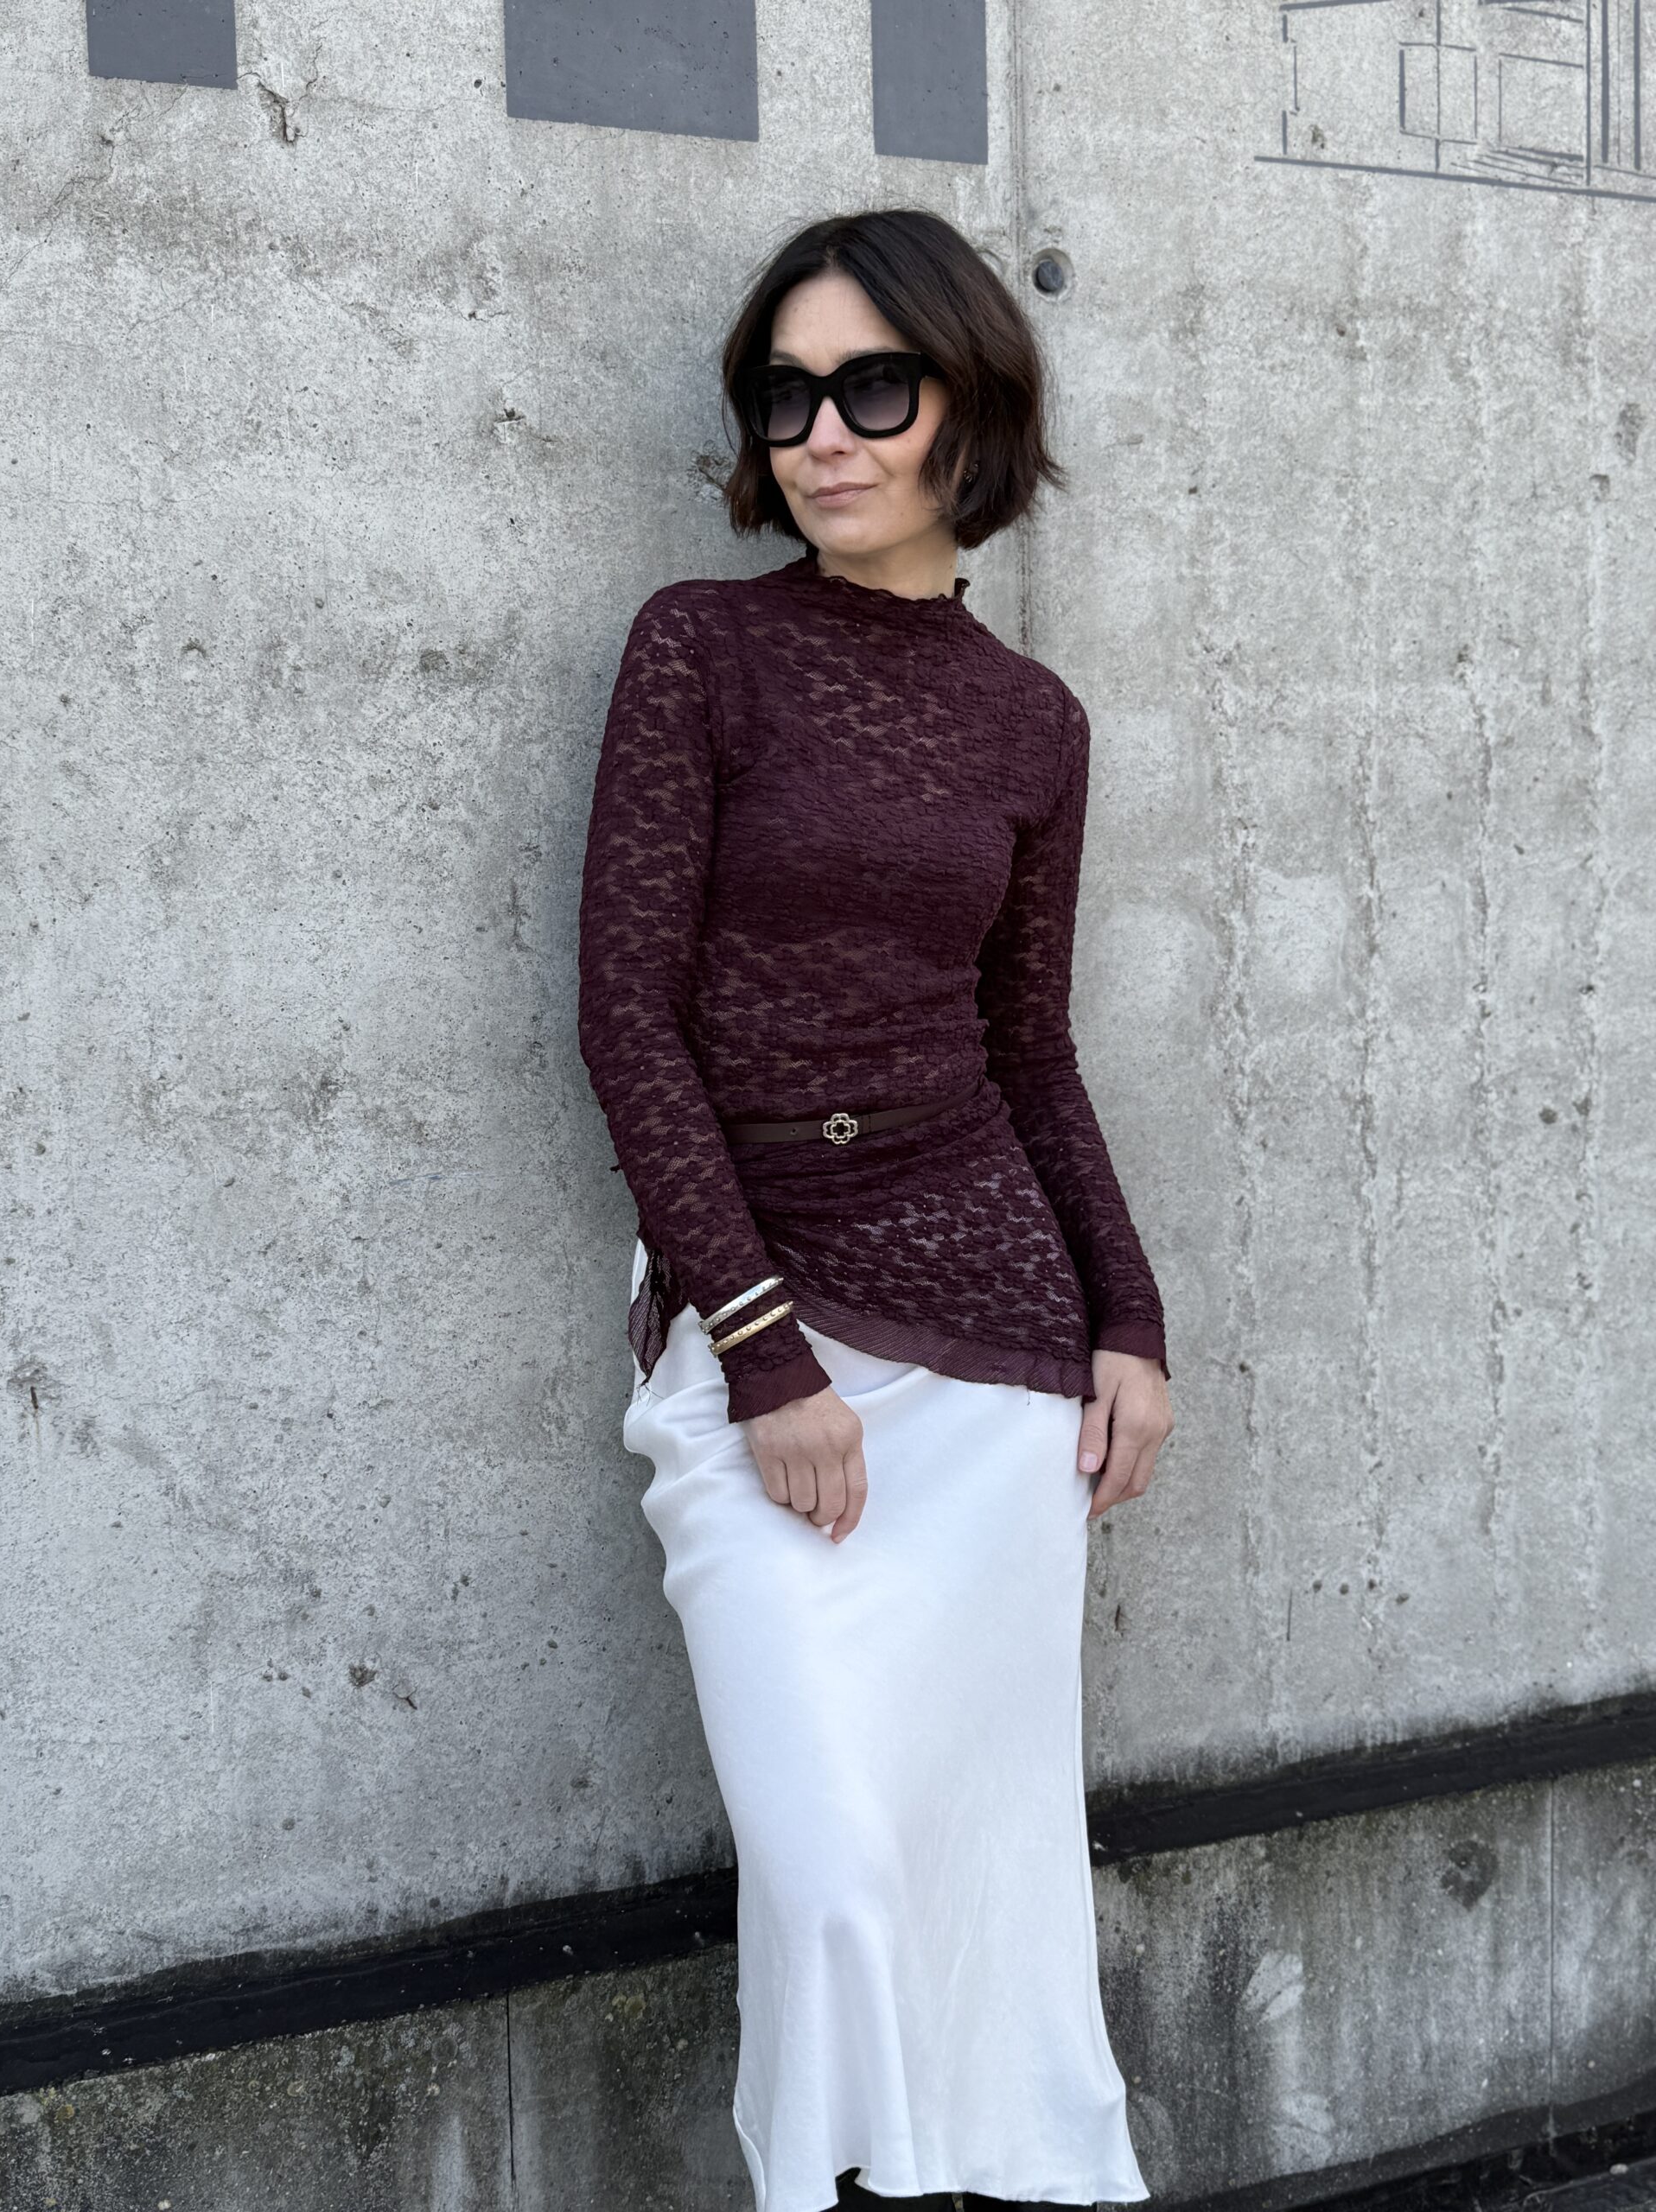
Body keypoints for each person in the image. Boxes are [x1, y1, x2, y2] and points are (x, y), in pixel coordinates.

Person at [576, 207, 1175, 2212]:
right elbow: (627, 1022)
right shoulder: (701, 646)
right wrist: (763, 1351)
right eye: (787, 395)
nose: (823, 433)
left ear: (967, 406)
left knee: (984, 1875)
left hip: (996, 1364)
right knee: (831, 1869)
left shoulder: (1035, 724)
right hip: (761, 1325)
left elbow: (1034, 1052)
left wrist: (1130, 1322)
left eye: (873, 387)